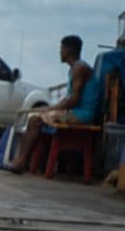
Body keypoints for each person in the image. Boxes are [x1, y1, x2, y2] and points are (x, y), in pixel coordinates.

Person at [6, 35, 100, 174]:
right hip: (76, 112)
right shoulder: (75, 68)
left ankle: (21, 162)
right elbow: (69, 98)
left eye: (61, 49)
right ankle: (24, 161)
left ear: (68, 50)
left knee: (35, 120)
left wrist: (52, 109)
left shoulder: (79, 68)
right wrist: (51, 108)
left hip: (82, 115)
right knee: (35, 117)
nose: (60, 52)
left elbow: (74, 100)